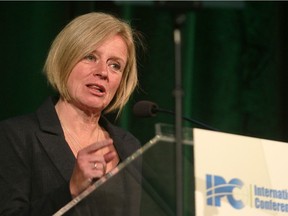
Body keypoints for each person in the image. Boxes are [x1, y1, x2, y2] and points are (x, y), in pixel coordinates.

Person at [0, 12, 142, 216]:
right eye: (90, 57)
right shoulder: (16, 136)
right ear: (65, 60)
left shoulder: (129, 146)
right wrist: (70, 190)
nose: (103, 71)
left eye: (115, 65)